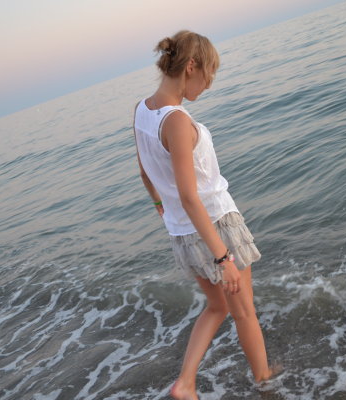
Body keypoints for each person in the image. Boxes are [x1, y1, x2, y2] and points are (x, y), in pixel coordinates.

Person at [132, 30, 276, 399]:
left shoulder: (143, 110)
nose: (209, 83)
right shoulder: (177, 120)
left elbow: (146, 173)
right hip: (216, 227)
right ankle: (265, 382)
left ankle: (185, 383)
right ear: (191, 66)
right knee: (243, 312)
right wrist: (224, 258)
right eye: (209, 73)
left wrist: (162, 210)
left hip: (184, 234)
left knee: (216, 307)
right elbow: (190, 196)